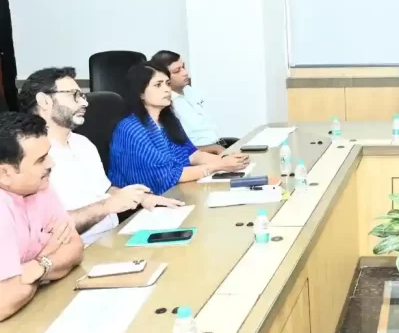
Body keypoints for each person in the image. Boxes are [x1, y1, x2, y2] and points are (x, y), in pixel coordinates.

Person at [17, 67, 184, 246]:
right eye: (74, 95)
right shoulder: (31, 157)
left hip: (114, 237)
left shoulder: (82, 143)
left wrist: (141, 198)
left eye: (82, 96)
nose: (84, 103)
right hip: (78, 249)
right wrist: (107, 206)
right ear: (44, 101)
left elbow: (104, 190)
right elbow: (49, 230)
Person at [108, 63, 249, 195]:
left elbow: (192, 154)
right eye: (158, 85)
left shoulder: (168, 120)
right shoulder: (131, 130)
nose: (166, 89)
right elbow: (164, 177)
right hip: (142, 202)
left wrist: (226, 160)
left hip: (176, 192)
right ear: (140, 93)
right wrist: (218, 166)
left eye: (168, 83)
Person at [0, 112, 83, 321]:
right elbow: (4, 300)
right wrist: (48, 258)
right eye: (40, 160)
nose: (51, 164)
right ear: (5, 174)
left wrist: (39, 266)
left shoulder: (39, 185)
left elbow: (74, 247)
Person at [149, 50, 235, 155]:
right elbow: (174, 149)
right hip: (200, 155)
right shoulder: (164, 105)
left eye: (183, 67)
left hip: (219, 146)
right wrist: (213, 149)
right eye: (177, 71)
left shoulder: (190, 91)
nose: (185, 72)